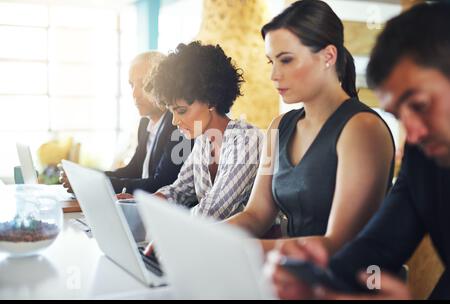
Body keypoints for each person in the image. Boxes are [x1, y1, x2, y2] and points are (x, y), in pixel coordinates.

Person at [268, 2, 450, 300]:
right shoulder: (423, 156)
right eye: (400, 115)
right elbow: (377, 247)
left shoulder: (360, 127)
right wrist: (319, 278)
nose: (412, 133)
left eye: (420, 105)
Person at [226, 0, 395, 255]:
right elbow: (256, 214)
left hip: (344, 286)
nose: (274, 75)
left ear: (328, 56)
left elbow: (336, 244)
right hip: (287, 276)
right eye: (271, 62)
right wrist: (201, 238)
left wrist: (238, 250)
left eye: (286, 60)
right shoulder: (279, 127)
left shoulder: (362, 129)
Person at [138, 41, 263, 221]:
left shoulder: (247, 140)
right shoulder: (204, 140)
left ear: (211, 100)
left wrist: (164, 225)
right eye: (171, 111)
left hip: (250, 246)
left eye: (181, 111)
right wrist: (138, 204)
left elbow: (214, 211)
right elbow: (179, 191)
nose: (174, 121)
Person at [60, 52, 191, 194]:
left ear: (163, 84)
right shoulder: (144, 124)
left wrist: (93, 183)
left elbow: (161, 183)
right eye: (132, 85)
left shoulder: (180, 126)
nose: (135, 94)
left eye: (144, 84)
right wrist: (86, 176)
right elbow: (133, 170)